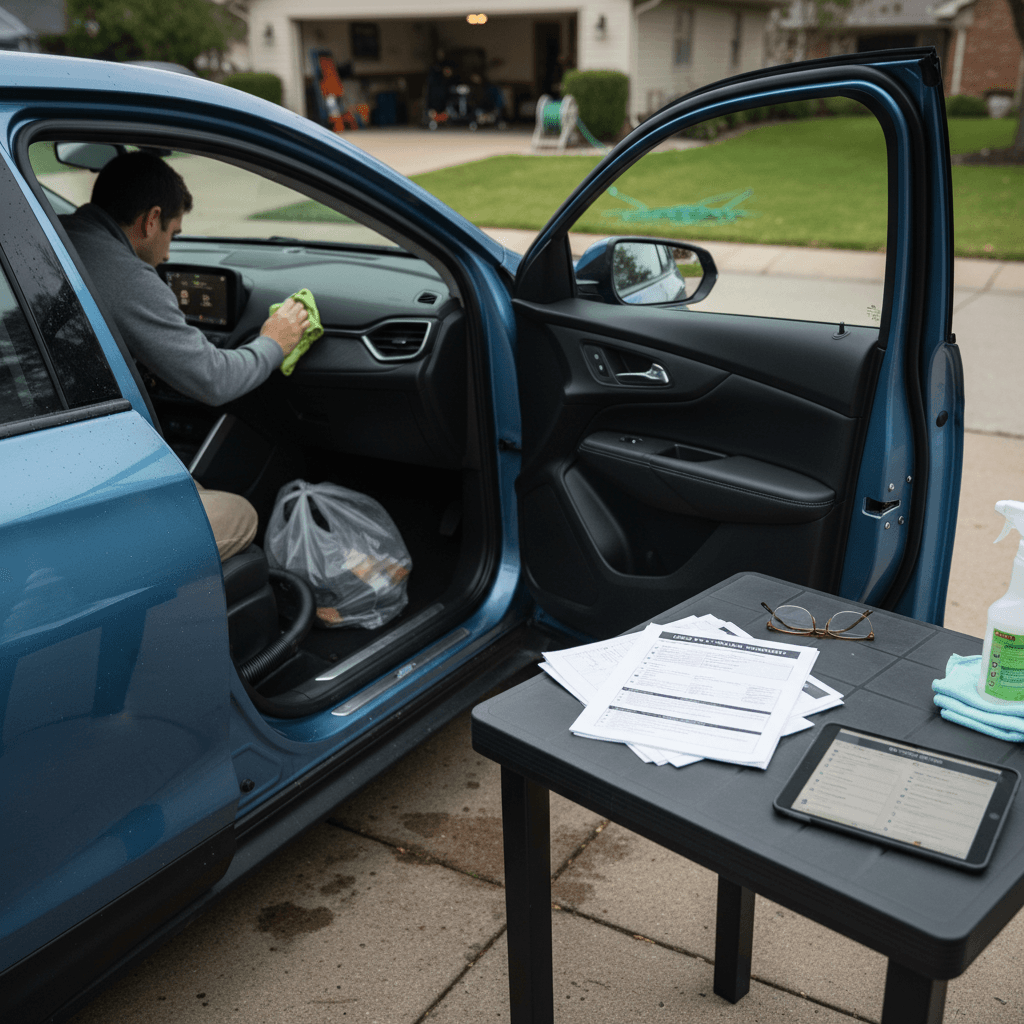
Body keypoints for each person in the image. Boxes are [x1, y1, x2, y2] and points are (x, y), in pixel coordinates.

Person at [61, 151, 309, 561]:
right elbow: (213, 380)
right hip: (83, 485)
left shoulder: (60, 233)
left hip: (73, 450)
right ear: (150, 220)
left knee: (189, 487)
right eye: (173, 234)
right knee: (241, 514)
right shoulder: (125, 275)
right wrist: (273, 342)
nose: (169, 255)